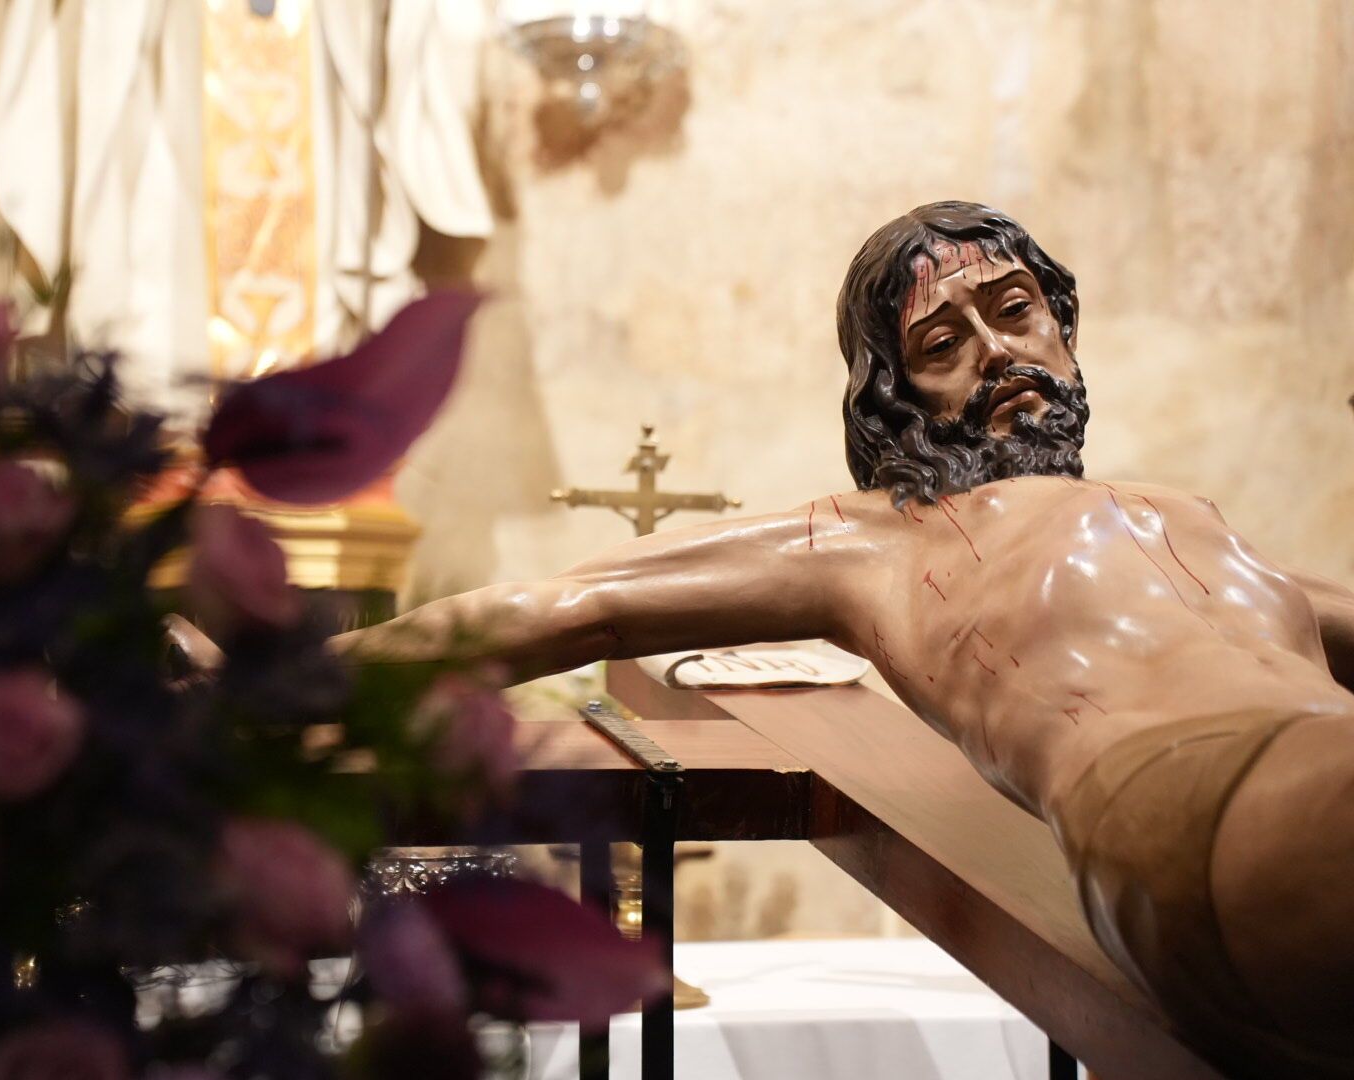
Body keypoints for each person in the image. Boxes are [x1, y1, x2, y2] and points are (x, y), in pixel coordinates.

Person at [336, 202, 1354, 1076]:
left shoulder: (1191, 516)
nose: (996, 352)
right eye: (941, 346)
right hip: (1193, 803)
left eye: (1012, 312)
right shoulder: (872, 540)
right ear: (895, 396)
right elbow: (562, 605)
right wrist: (287, 681)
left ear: (1062, 328)